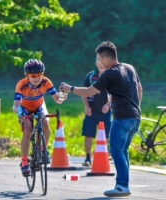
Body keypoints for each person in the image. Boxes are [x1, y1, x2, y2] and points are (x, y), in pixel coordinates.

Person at [60, 41, 142, 197]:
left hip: (122, 118)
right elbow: (139, 88)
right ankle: (124, 184)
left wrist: (69, 89)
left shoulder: (110, 74)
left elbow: (89, 91)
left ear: (106, 59)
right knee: (123, 151)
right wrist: (136, 107)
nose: (98, 61)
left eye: (99, 58)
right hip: (135, 117)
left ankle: (122, 186)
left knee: (116, 150)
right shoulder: (130, 68)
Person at [13, 59, 66, 176]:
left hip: (39, 105)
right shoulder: (21, 85)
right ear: (27, 75)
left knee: (46, 123)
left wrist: (63, 95)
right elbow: (15, 106)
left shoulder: (46, 82)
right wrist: (19, 113)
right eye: (33, 75)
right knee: (28, 131)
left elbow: (58, 100)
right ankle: (25, 162)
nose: (36, 78)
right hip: (25, 108)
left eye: (39, 75)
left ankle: (42, 150)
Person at [81, 64, 111, 166]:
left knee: (105, 136)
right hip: (91, 111)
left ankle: (103, 157)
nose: (101, 65)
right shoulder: (90, 76)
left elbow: (115, 93)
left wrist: (108, 104)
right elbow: (84, 92)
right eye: (98, 60)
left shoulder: (111, 76)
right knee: (88, 134)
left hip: (105, 112)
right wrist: (86, 107)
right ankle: (88, 157)